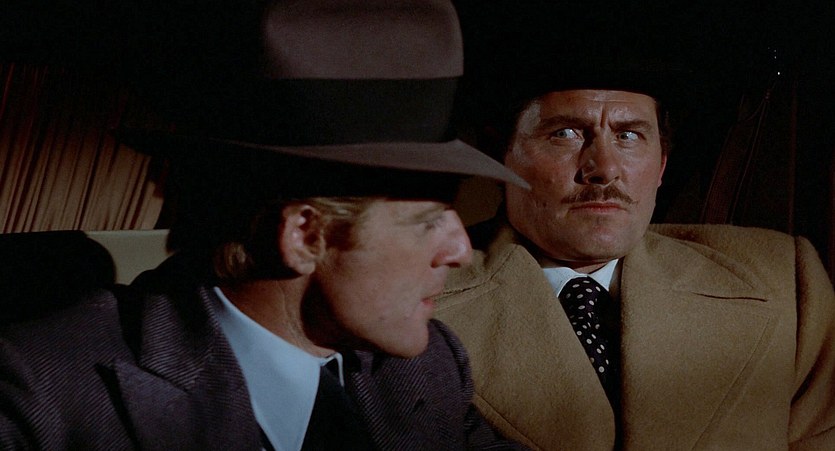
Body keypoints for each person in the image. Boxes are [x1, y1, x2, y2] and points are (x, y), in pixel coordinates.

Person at [0, 0, 530, 449]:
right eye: (427, 220)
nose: (461, 249)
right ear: (303, 236)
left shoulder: (426, 368)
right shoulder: (41, 392)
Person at [435, 66, 835, 449]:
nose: (605, 169)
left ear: (661, 165)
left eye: (629, 135)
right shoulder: (420, 301)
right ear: (499, 156)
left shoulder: (783, 282)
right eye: (566, 134)